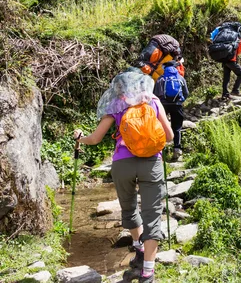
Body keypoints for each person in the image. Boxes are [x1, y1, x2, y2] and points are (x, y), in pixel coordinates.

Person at [74, 69, 174, 283]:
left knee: (129, 208)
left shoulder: (116, 106)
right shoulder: (154, 103)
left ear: (121, 89)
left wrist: (80, 138)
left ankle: (138, 249)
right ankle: (148, 272)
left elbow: (95, 139)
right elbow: (169, 136)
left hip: (122, 164)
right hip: (151, 164)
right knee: (152, 216)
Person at [154, 60, 189, 161]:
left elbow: (155, 94)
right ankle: (177, 149)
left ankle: (161, 150)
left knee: (161, 127)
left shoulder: (161, 79)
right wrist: (180, 101)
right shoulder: (180, 78)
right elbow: (186, 93)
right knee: (177, 127)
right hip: (177, 105)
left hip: (163, 106)